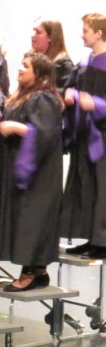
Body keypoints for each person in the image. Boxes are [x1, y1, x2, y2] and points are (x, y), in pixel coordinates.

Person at [0, 53, 64, 289]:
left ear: (39, 74)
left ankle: (29, 273)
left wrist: (15, 127)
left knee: (31, 219)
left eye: (26, 66)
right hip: (21, 171)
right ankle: (39, 271)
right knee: (24, 217)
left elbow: (46, 133)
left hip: (38, 176)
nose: (20, 68)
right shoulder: (23, 96)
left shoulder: (44, 98)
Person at [61, 14, 106, 259]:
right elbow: (75, 90)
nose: (82, 34)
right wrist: (70, 95)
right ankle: (92, 238)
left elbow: (96, 101)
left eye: (86, 30)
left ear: (99, 33)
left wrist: (95, 104)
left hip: (102, 136)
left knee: (102, 189)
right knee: (87, 186)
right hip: (85, 134)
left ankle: (103, 242)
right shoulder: (85, 62)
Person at [30, 18, 73, 93]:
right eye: (34, 31)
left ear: (50, 37)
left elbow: (66, 93)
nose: (33, 36)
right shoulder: (31, 58)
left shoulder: (63, 65)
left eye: (38, 32)